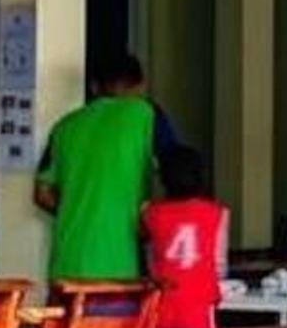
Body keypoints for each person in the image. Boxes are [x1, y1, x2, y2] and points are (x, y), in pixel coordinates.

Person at [33, 52, 205, 283]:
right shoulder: (146, 114)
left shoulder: (65, 127)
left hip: (67, 263)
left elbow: (42, 194)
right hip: (121, 264)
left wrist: (81, 210)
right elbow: (179, 172)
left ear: (94, 87)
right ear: (140, 86)